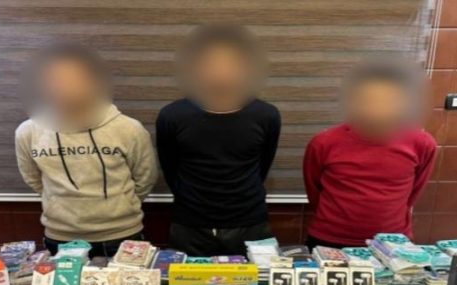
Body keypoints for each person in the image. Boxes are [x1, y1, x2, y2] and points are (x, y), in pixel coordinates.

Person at [15, 43, 158, 257]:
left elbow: (145, 177)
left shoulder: (129, 129)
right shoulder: (28, 132)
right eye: (56, 79)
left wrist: (120, 208)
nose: (66, 87)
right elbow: (33, 179)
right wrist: (58, 206)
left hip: (122, 236)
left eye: (75, 79)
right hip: (61, 238)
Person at [156, 25, 281, 257]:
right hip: (189, 224)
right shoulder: (172, 115)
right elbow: (170, 168)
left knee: (257, 281)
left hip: (250, 221)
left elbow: (262, 166)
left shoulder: (266, 115)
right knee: (184, 282)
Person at [303, 58, 437, 250]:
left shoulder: (422, 144)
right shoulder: (324, 143)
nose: (377, 108)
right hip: (329, 240)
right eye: (369, 100)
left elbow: (414, 192)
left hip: (392, 243)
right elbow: (314, 190)